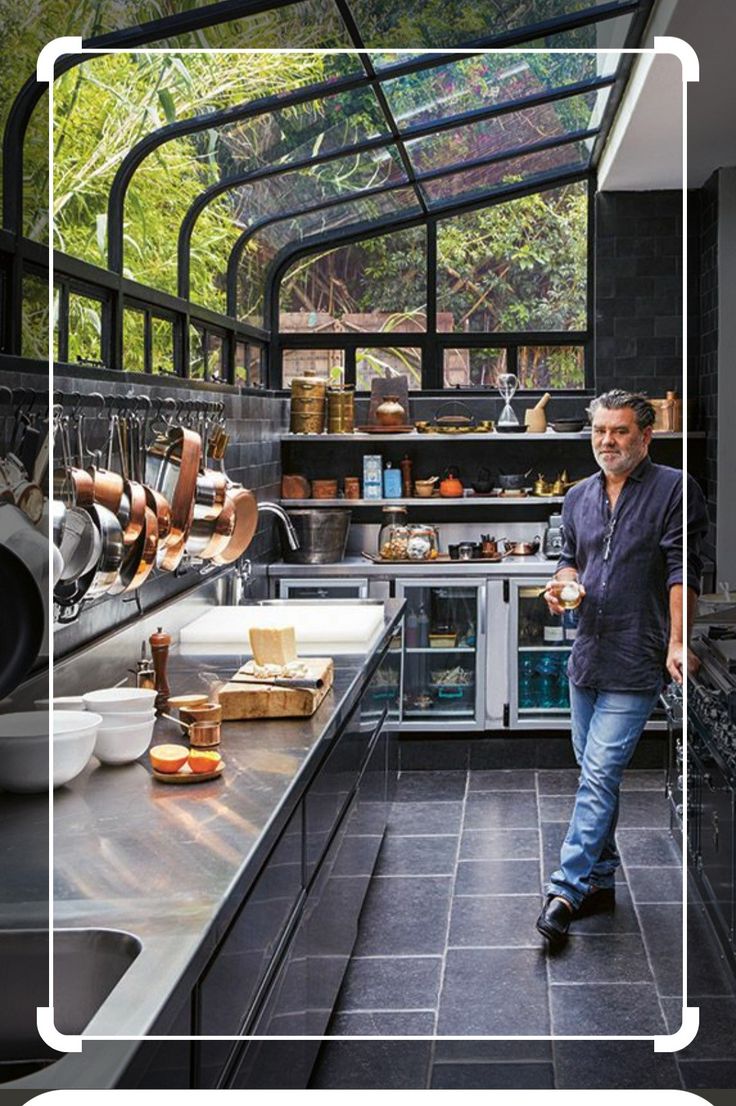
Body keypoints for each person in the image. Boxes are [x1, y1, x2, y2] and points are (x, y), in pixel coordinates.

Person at [535, 389, 708, 947]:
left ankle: (565, 889)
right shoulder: (577, 496)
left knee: (601, 773)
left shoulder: (675, 490)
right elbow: (568, 561)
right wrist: (562, 587)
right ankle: (600, 883)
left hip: (638, 656)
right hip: (587, 657)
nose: (607, 441)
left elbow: (682, 572)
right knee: (594, 776)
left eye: (620, 432)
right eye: (600, 431)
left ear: (645, 436)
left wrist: (678, 643)